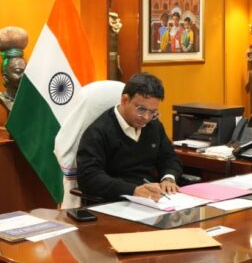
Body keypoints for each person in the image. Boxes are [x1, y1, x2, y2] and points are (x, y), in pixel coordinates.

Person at [76, 72, 182, 202]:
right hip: (115, 201)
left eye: (153, 112)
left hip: (153, 200)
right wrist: (132, 191)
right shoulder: (98, 131)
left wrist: (168, 178)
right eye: (141, 109)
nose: (146, 118)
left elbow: (169, 157)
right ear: (125, 100)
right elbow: (89, 177)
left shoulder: (154, 126)